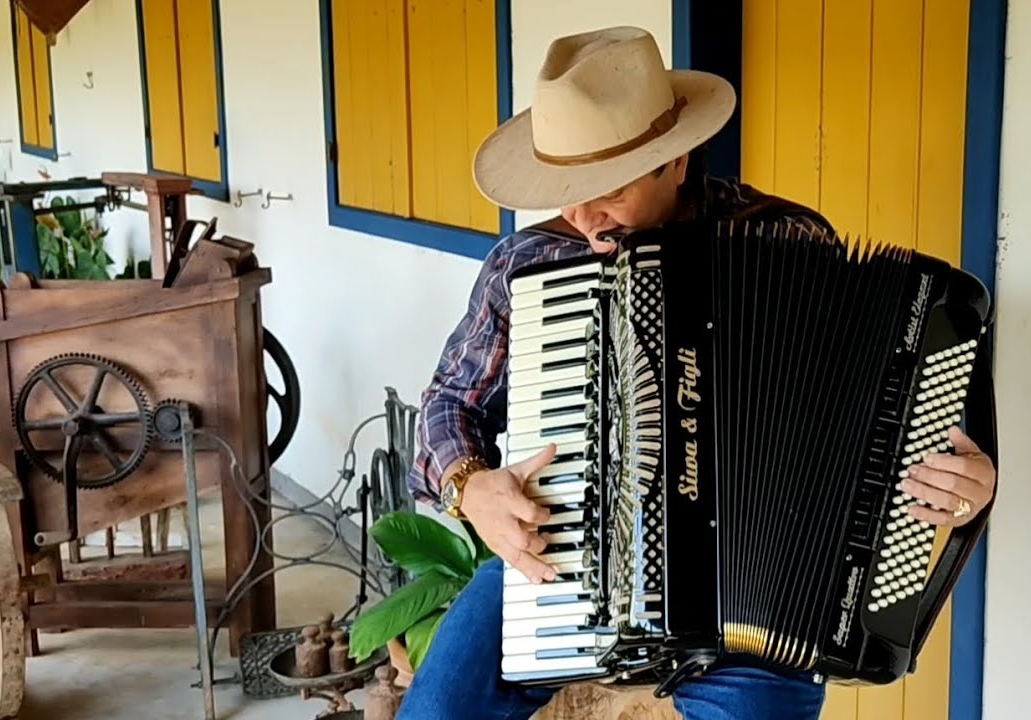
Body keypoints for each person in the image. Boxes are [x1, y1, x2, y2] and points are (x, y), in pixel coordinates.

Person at [397, 26, 998, 720]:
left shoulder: (788, 242)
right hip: (560, 560)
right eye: (567, 191)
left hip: (753, 614)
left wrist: (957, 487)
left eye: (609, 189)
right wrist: (471, 486)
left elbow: (872, 438)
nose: (584, 217)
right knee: (436, 709)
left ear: (675, 161)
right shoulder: (528, 266)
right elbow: (450, 402)